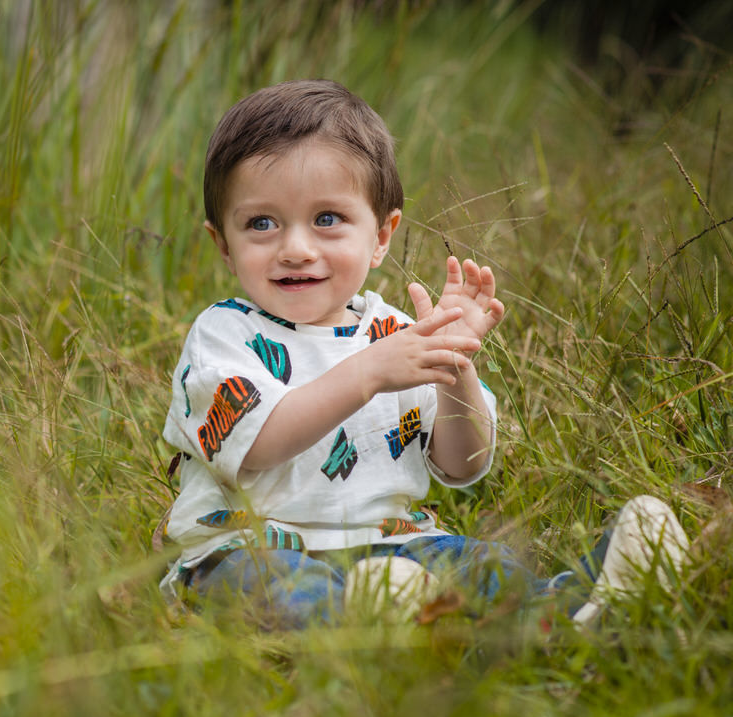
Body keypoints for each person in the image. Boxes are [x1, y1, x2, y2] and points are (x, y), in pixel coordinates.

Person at [160, 79, 688, 629]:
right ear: (224, 244)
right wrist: (369, 371)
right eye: (262, 224)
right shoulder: (224, 336)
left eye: (327, 219)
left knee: (483, 564)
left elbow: (464, 464)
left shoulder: (398, 334)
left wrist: (454, 368)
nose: (296, 249)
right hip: (251, 547)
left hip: (394, 545)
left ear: (382, 235)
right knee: (273, 586)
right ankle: (392, 620)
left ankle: (573, 608)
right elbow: (258, 445)